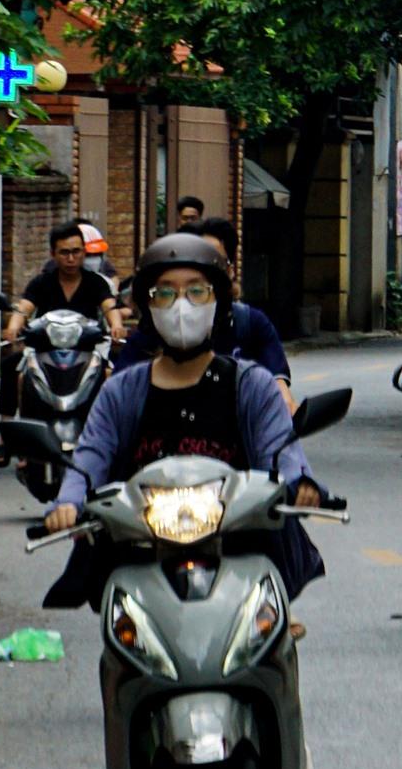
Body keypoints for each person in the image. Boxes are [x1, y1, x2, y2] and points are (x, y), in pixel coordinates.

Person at [41, 235, 325, 608]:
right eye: (164, 294)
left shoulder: (252, 385)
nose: (181, 306)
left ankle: (275, 633)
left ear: (218, 302)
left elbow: (281, 451)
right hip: (141, 553)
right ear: (147, 305)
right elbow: (91, 457)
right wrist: (68, 502)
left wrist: (299, 483)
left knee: (269, 624)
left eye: (197, 292)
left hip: (239, 555)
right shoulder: (122, 391)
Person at [115, 216, 295, 406]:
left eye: (198, 289)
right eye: (168, 291)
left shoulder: (250, 329)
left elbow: (280, 396)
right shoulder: (144, 347)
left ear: (228, 272)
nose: (182, 308)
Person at [0, 218, 123, 439]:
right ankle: (6, 433)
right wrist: (13, 327)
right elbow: (24, 307)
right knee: (11, 368)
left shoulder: (96, 283)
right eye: (64, 253)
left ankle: (111, 433)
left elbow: (109, 306)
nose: (71, 258)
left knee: (111, 372)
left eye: (76, 252)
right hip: (45, 351)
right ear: (53, 254)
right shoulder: (41, 282)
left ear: (84, 252)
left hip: (85, 351)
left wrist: (116, 325)